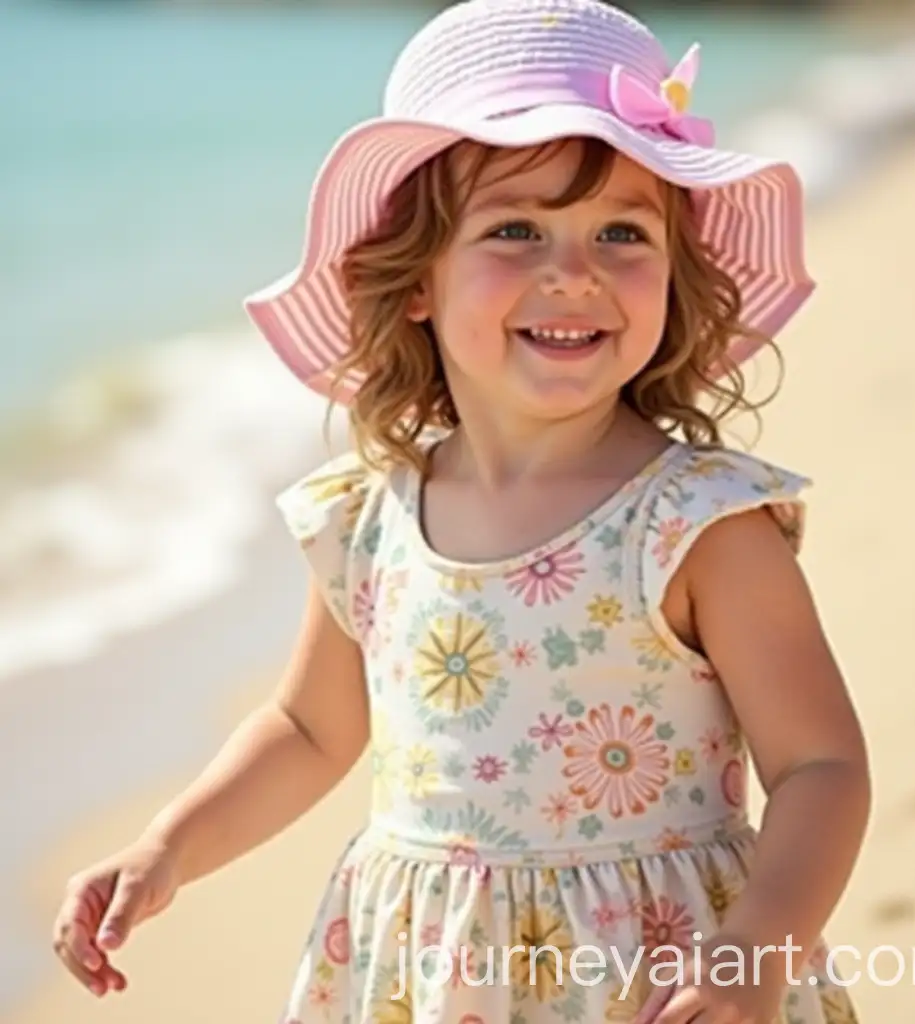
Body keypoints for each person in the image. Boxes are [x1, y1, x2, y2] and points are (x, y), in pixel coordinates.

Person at [51, 1, 871, 1021]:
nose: (571, 271)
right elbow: (308, 728)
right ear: (415, 282)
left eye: (622, 231)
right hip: (425, 972)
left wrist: (751, 956)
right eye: (514, 229)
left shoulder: (695, 523)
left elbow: (821, 765)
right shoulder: (369, 517)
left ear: (677, 271)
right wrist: (166, 844)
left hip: (658, 977)